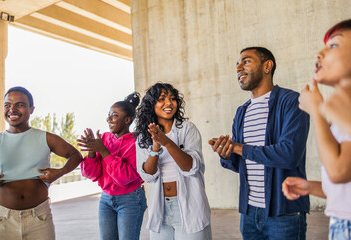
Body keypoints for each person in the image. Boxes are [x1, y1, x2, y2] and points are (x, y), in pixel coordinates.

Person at [209, 47, 310, 240]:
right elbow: (243, 164)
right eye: (237, 64)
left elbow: (289, 155)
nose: (239, 67)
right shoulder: (242, 112)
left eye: (246, 61)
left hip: (284, 212)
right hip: (249, 213)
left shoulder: (293, 102)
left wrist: (238, 147)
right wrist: (227, 154)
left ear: (267, 66)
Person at [282, 19, 351, 240]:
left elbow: (339, 172)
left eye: (333, 45)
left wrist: (318, 112)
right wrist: (310, 187)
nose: (319, 54)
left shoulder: (342, 111)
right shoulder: (341, 112)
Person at [0, 86, 83, 240]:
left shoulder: (46, 138)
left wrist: (60, 172)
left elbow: (75, 155)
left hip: (39, 219)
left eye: (19, 104)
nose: (12, 109)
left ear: (31, 109)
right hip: (2, 221)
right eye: (7, 105)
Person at [135, 82, 211, 239]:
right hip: (160, 207)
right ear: (151, 104)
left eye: (172, 98)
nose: (169, 103)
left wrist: (167, 142)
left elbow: (191, 167)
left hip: (189, 205)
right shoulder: (143, 137)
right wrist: (155, 148)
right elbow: (148, 175)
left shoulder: (188, 129)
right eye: (162, 99)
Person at [77, 92, 146, 240]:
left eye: (114, 115)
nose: (108, 118)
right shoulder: (104, 139)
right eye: (108, 114)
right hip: (106, 199)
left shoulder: (136, 142)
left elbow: (124, 178)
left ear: (127, 120)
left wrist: (102, 150)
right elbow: (91, 174)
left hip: (130, 199)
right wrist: (91, 151)